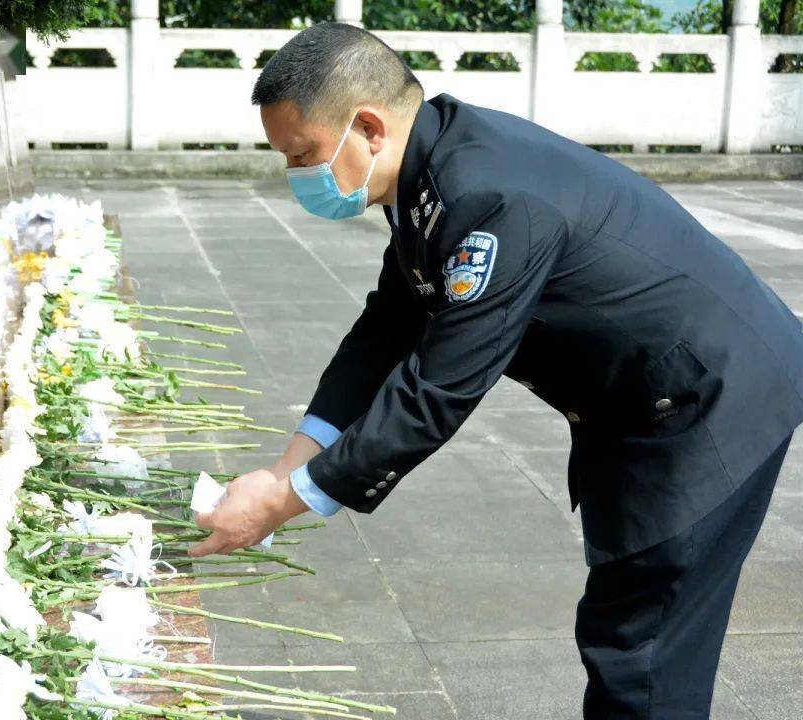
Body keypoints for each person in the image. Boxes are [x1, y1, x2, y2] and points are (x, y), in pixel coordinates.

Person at [188, 21, 803, 719]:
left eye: (303, 154)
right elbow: (386, 329)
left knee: (643, 651)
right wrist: (285, 467)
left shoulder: (486, 196)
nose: (297, 174)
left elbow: (440, 389)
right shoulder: (434, 168)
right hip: (641, 397)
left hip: (707, 401)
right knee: (626, 630)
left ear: (368, 127)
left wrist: (286, 500)